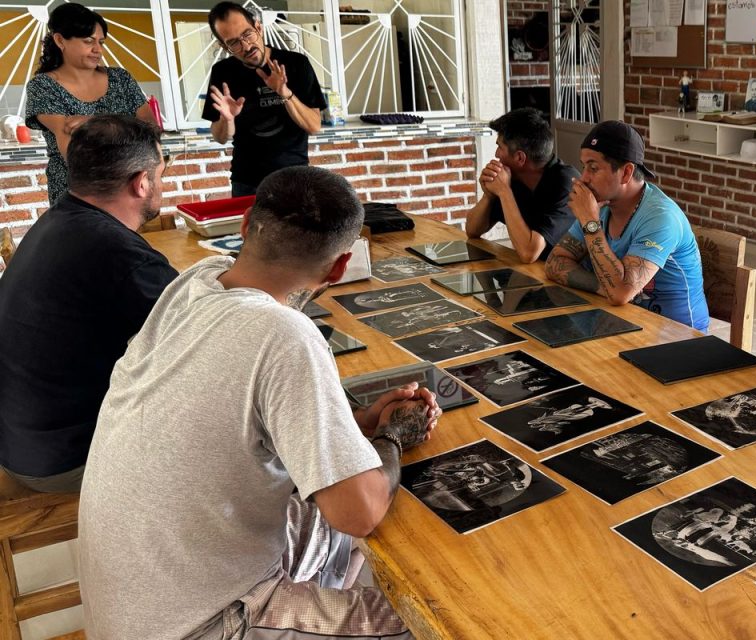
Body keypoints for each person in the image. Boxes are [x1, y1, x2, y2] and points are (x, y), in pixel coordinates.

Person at [78, 166, 441, 638]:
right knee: (432, 625)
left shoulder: (195, 283)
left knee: (328, 523)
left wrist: (358, 426)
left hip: (132, 600)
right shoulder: (286, 335)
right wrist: (393, 436)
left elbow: (240, 413)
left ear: (246, 224)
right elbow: (360, 511)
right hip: (199, 624)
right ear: (338, 267)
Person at [0, 115, 176, 493]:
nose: (163, 179)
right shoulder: (119, 254)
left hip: (24, 441)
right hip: (65, 461)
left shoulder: (58, 221)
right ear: (141, 182)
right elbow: (214, 338)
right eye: (162, 170)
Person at [544, 120, 709, 331]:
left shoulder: (660, 217)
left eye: (593, 168)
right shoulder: (600, 205)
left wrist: (590, 223)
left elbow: (621, 293)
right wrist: (602, 286)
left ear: (626, 173)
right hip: (623, 324)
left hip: (678, 338)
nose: (583, 178)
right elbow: (554, 262)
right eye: (584, 166)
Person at [24, 2, 156, 205]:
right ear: (60, 40)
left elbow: (151, 128)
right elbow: (73, 150)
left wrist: (96, 122)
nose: (98, 49)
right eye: (88, 41)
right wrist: (127, 127)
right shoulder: (43, 86)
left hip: (130, 186)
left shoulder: (120, 79)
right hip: (77, 192)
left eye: (101, 42)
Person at [203, 1, 325, 197]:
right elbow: (220, 137)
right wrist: (227, 119)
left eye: (247, 34)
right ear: (224, 47)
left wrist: (284, 92)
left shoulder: (296, 64)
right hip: (247, 182)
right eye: (234, 42)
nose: (246, 46)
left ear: (258, 27)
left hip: (295, 179)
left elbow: (314, 126)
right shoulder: (223, 72)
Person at [464, 108, 579, 262]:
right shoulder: (512, 178)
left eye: (500, 147)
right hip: (534, 273)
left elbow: (529, 253)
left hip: (572, 277)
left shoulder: (565, 183)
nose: (496, 154)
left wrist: (504, 192)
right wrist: (489, 195)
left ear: (519, 158)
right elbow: (472, 230)